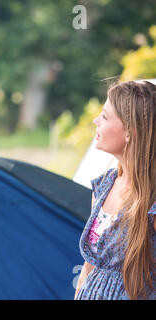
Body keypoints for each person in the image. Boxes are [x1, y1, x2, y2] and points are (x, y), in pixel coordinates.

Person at [75, 80, 156, 300]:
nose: (95, 121)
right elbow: (88, 268)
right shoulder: (103, 186)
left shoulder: (152, 202)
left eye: (105, 116)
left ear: (130, 132)